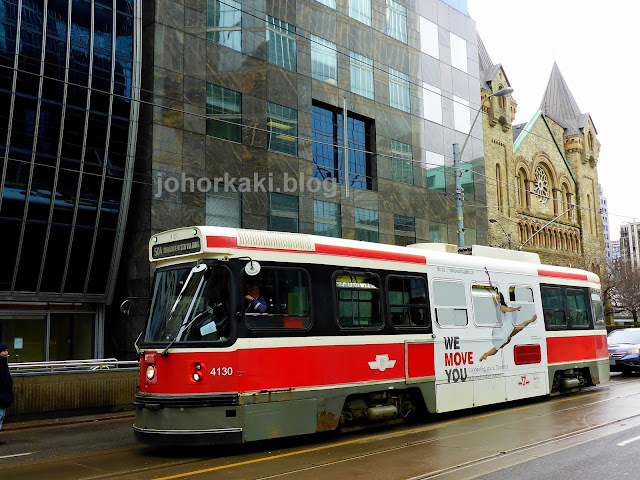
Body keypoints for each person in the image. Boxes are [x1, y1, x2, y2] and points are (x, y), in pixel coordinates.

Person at [480, 268, 537, 361]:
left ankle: (486, 354)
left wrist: (514, 309)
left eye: (498, 295)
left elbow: (508, 309)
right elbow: (504, 306)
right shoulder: (499, 306)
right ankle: (532, 319)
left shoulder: (500, 307)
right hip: (506, 329)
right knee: (522, 326)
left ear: (500, 298)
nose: (496, 296)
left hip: (505, 328)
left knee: (498, 347)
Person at [0, 344, 13, 435]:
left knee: (1, 416)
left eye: (6, 350)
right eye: (4, 351)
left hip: (4, 394)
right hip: (1, 394)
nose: (6, 353)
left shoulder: (4, 363)